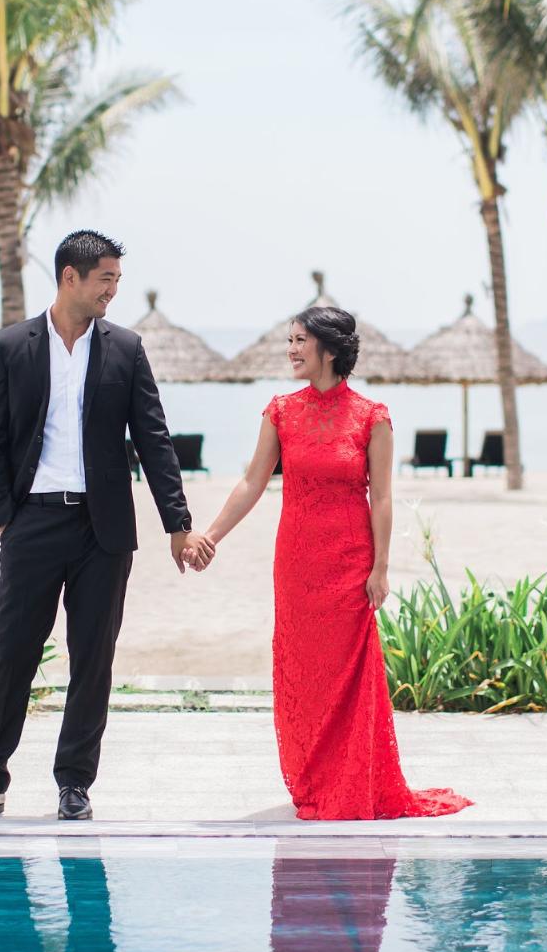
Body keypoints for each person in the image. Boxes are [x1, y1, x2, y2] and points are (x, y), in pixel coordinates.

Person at [0, 230, 211, 822]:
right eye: (106, 279)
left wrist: (178, 521)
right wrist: (4, 514)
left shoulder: (126, 348)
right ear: (70, 276)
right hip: (32, 524)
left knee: (91, 660)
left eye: (118, 280)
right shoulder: (10, 345)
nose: (113, 291)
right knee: (12, 656)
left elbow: (154, 439)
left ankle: (74, 783)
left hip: (104, 532)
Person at [193, 305, 471, 822]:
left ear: (330, 347)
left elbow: (382, 499)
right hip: (297, 564)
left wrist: (381, 568)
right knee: (302, 675)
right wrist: (211, 535)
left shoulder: (372, 417)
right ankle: (312, 779)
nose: (292, 350)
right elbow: (253, 482)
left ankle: (349, 780)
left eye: (300, 340)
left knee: (348, 677)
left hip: (350, 564)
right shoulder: (279, 411)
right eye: (290, 340)